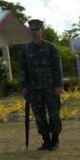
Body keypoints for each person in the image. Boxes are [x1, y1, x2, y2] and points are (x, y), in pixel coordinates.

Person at [21, 19, 62, 151]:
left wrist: (58, 85)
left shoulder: (50, 47)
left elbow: (57, 68)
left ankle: (55, 140)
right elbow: (23, 70)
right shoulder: (26, 49)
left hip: (50, 86)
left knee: (54, 114)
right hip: (34, 88)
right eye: (32, 30)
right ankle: (46, 140)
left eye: (37, 30)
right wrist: (24, 87)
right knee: (39, 115)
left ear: (42, 31)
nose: (35, 32)